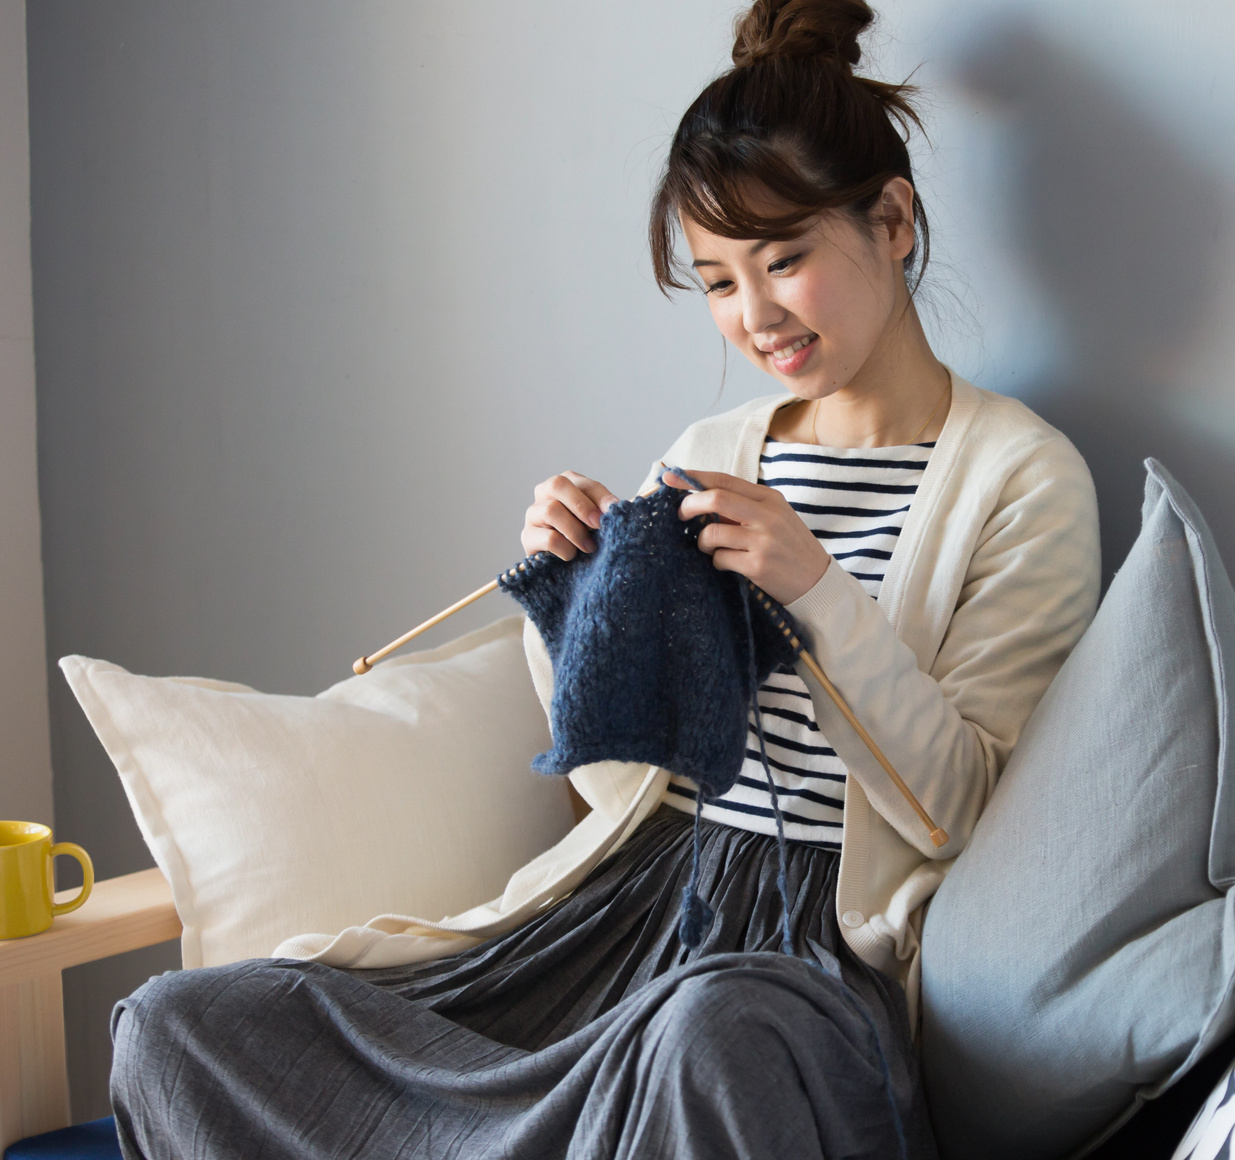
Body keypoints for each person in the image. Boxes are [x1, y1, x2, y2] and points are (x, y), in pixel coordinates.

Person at [108, 1, 1101, 1156]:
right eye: (717, 282)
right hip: (623, 912)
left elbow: (962, 808)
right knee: (183, 1026)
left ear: (890, 219)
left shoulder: (1022, 478)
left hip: (804, 963)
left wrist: (819, 595)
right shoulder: (710, 451)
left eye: (783, 261)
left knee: (706, 1035)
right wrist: (571, 598)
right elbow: (613, 777)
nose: (755, 316)